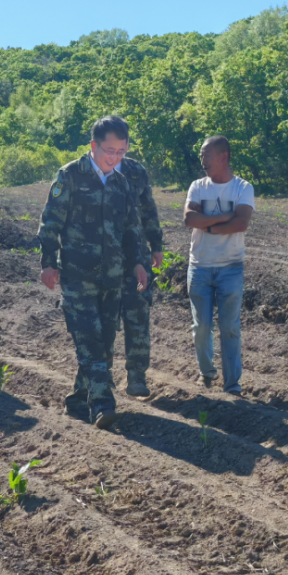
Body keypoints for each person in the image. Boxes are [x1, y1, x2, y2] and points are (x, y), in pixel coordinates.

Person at [38, 115, 149, 429]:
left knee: (104, 341)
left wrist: (139, 262)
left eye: (121, 152)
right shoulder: (70, 176)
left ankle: (78, 399)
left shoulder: (122, 183)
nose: (114, 158)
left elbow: (131, 228)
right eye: (109, 151)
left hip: (112, 277)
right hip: (78, 275)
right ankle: (102, 404)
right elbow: (50, 224)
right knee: (88, 338)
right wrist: (48, 262)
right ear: (93, 146)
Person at [182, 135, 255, 396]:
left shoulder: (243, 188)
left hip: (231, 267)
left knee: (229, 328)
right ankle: (207, 371)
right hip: (199, 266)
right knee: (201, 328)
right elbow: (190, 219)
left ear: (223, 156)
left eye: (206, 155)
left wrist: (208, 223)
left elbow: (241, 223)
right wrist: (223, 218)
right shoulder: (198, 186)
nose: (202, 160)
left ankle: (232, 384)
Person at [116, 152, 163, 399]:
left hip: (137, 258)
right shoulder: (91, 170)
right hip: (105, 259)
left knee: (138, 316)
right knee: (104, 320)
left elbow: (148, 209)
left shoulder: (136, 171)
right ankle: (99, 378)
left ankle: (137, 377)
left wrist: (156, 244)